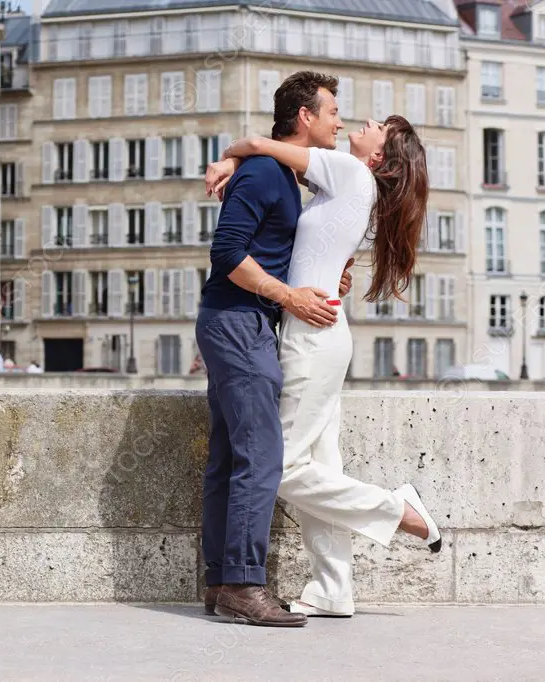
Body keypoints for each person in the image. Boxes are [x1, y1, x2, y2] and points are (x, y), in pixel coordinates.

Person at [204, 89, 443, 618]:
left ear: (378, 156)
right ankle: (333, 586)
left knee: (278, 465)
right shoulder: (347, 184)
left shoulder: (349, 173)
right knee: (321, 461)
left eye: (376, 125)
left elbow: (258, 143)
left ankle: (398, 510)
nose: (361, 121)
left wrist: (229, 156)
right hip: (322, 330)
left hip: (311, 334)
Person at [195, 72, 357, 628]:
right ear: (305, 117)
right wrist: (288, 295)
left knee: (231, 458)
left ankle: (222, 582)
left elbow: (274, 246)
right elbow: (227, 252)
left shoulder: (280, 174)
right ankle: (243, 584)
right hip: (239, 322)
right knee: (263, 456)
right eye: (333, 110)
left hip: (242, 322)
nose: (339, 120)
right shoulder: (267, 172)